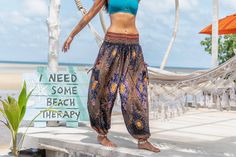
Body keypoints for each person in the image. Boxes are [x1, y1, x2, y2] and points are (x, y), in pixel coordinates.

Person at [62, 0, 160, 153]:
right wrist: (71, 35)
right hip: (111, 45)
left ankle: (143, 139)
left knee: (136, 94)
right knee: (102, 90)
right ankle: (102, 134)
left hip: (134, 48)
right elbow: (89, 15)